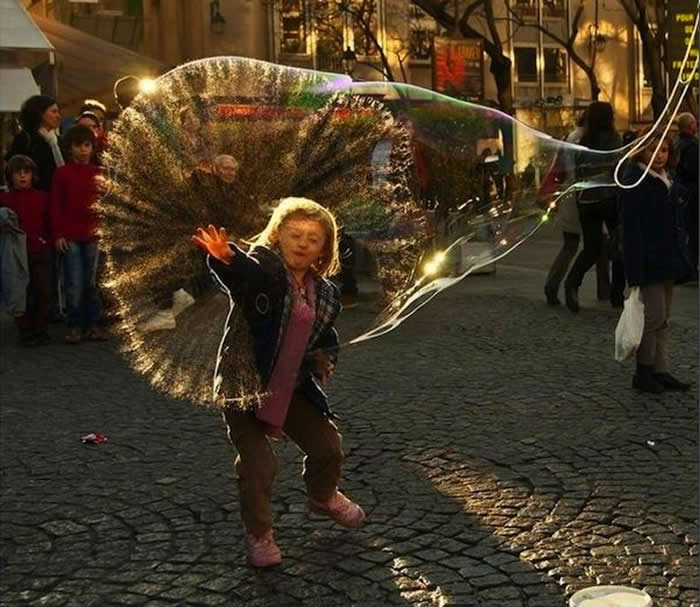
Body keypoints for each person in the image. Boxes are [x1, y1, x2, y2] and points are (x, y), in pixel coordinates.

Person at [192, 197, 366, 568]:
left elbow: (324, 337)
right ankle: (259, 534)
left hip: (291, 386)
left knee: (328, 447)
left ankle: (322, 496)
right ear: (278, 235)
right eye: (295, 234)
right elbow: (244, 274)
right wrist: (226, 257)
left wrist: (324, 360)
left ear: (324, 249)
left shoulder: (327, 294)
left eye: (313, 238)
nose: (302, 243)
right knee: (259, 465)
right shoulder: (266, 272)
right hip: (245, 385)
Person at [620, 130, 691, 393]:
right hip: (648, 261)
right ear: (642, 152)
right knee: (653, 317)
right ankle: (644, 371)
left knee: (664, 318)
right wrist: (634, 270)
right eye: (654, 151)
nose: (660, 156)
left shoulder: (666, 178)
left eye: (664, 150)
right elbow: (631, 230)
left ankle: (661, 369)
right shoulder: (634, 181)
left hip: (667, 259)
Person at [564, 101, 624, 312]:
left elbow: (578, 171)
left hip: (586, 201)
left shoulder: (583, 141)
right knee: (619, 244)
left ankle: (572, 283)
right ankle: (617, 294)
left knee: (591, 248)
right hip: (609, 198)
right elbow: (620, 169)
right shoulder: (614, 139)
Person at [50, 125, 106, 344]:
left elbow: (104, 205)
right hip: (71, 235)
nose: (83, 150)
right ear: (69, 148)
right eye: (78, 146)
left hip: (93, 234)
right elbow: (56, 205)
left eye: (87, 145)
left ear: (92, 148)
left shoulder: (98, 173)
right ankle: (74, 325)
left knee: (91, 283)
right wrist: (59, 234)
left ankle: (92, 324)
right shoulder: (62, 173)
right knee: (74, 282)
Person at [0, 155, 52, 345]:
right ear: (10, 175)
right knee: (20, 292)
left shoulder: (42, 197)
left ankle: (41, 328)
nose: (22, 176)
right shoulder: (4, 199)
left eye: (26, 172)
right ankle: (25, 330)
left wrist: (47, 241)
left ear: (32, 175)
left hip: (40, 249)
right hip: (16, 253)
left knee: (44, 291)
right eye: (18, 172)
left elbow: (49, 221)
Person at [542, 113, 586, 305]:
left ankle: (552, 284)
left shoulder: (568, 138)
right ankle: (604, 290)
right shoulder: (586, 139)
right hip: (583, 195)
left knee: (569, 246)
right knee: (596, 245)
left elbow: (557, 170)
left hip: (568, 194)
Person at [6, 95, 64, 192]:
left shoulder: (58, 140)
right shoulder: (25, 139)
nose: (58, 116)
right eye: (54, 112)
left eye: (58, 112)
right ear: (39, 114)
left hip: (56, 195)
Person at [675, 112, 698, 276]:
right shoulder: (691, 145)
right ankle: (690, 266)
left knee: (683, 229)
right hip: (692, 191)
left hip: (680, 190)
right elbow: (693, 169)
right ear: (690, 126)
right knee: (694, 230)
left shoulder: (677, 143)